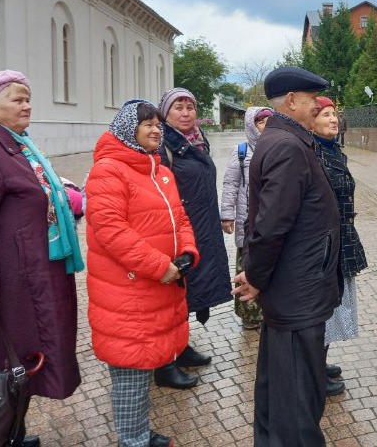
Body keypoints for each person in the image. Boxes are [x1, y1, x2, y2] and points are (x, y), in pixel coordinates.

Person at [0, 70, 83, 447]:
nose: (27, 105)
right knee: (1, 363)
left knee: (22, 361)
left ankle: (11, 432)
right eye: (17, 99)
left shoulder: (18, 145)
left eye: (28, 98)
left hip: (32, 274)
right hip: (6, 284)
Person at [231, 66, 342, 447]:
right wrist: (256, 276)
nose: (318, 108)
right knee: (295, 387)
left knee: (284, 380)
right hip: (298, 288)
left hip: (298, 284)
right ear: (292, 101)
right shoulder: (287, 146)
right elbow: (271, 225)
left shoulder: (287, 140)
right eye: (312, 101)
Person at [84, 99, 200, 447]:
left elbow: (179, 217)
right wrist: (158, 266)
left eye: (157, 125)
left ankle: (138, 434)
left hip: (159, 286)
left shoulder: (159, 170)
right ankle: (132, 441)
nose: (155, 130)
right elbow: (111, 231)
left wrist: (187, 251)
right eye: (147, 124)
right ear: (126, 130)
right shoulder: (108, 170)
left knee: (144, 365)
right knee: (131, 372)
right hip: (129, 293)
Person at [153, 88, 233, 388]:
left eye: (190, 107)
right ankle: (164, 362)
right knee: (171, 294)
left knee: (190, 290)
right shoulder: (162, 145)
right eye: (179, 107)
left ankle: (180, 346)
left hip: (201, 227)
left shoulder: (196, 140)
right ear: (165, 113)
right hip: (175, 231)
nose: (186, 113)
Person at [310, 96, 368, 396]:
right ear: (312, 120)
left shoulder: (333, 150)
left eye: (335, 114)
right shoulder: (313, 153)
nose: (334, 119)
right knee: (324, 305)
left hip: (341, 236)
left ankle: (320, 362)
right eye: (326, 114)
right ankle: (313, 371)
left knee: (336, 302)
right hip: (326, 242)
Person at [220, 106, 273, 331]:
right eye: (261, 122)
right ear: (251, 124)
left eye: (269, 122)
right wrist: (227, 215)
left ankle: (269, 312)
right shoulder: (241, 151)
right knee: (247, 264)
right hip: (246, 221)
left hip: (270, 219)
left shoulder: (277, 148)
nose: (265, 126)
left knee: (269, 264)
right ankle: (249, 315)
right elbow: (230, 185)